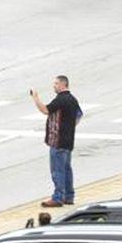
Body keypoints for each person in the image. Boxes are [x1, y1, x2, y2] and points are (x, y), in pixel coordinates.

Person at [30, 75, 81, 207]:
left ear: (64, 85)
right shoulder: (73, 99)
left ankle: (58, 197)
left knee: (57, 170)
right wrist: (69, 127)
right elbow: (79, 115)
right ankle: (69, 196)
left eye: (56, 84)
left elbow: (45, 110)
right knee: (67, 169)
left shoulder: (61, 99)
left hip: (57, 141)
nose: (54, 86)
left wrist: (35, 97)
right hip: (68, 140)